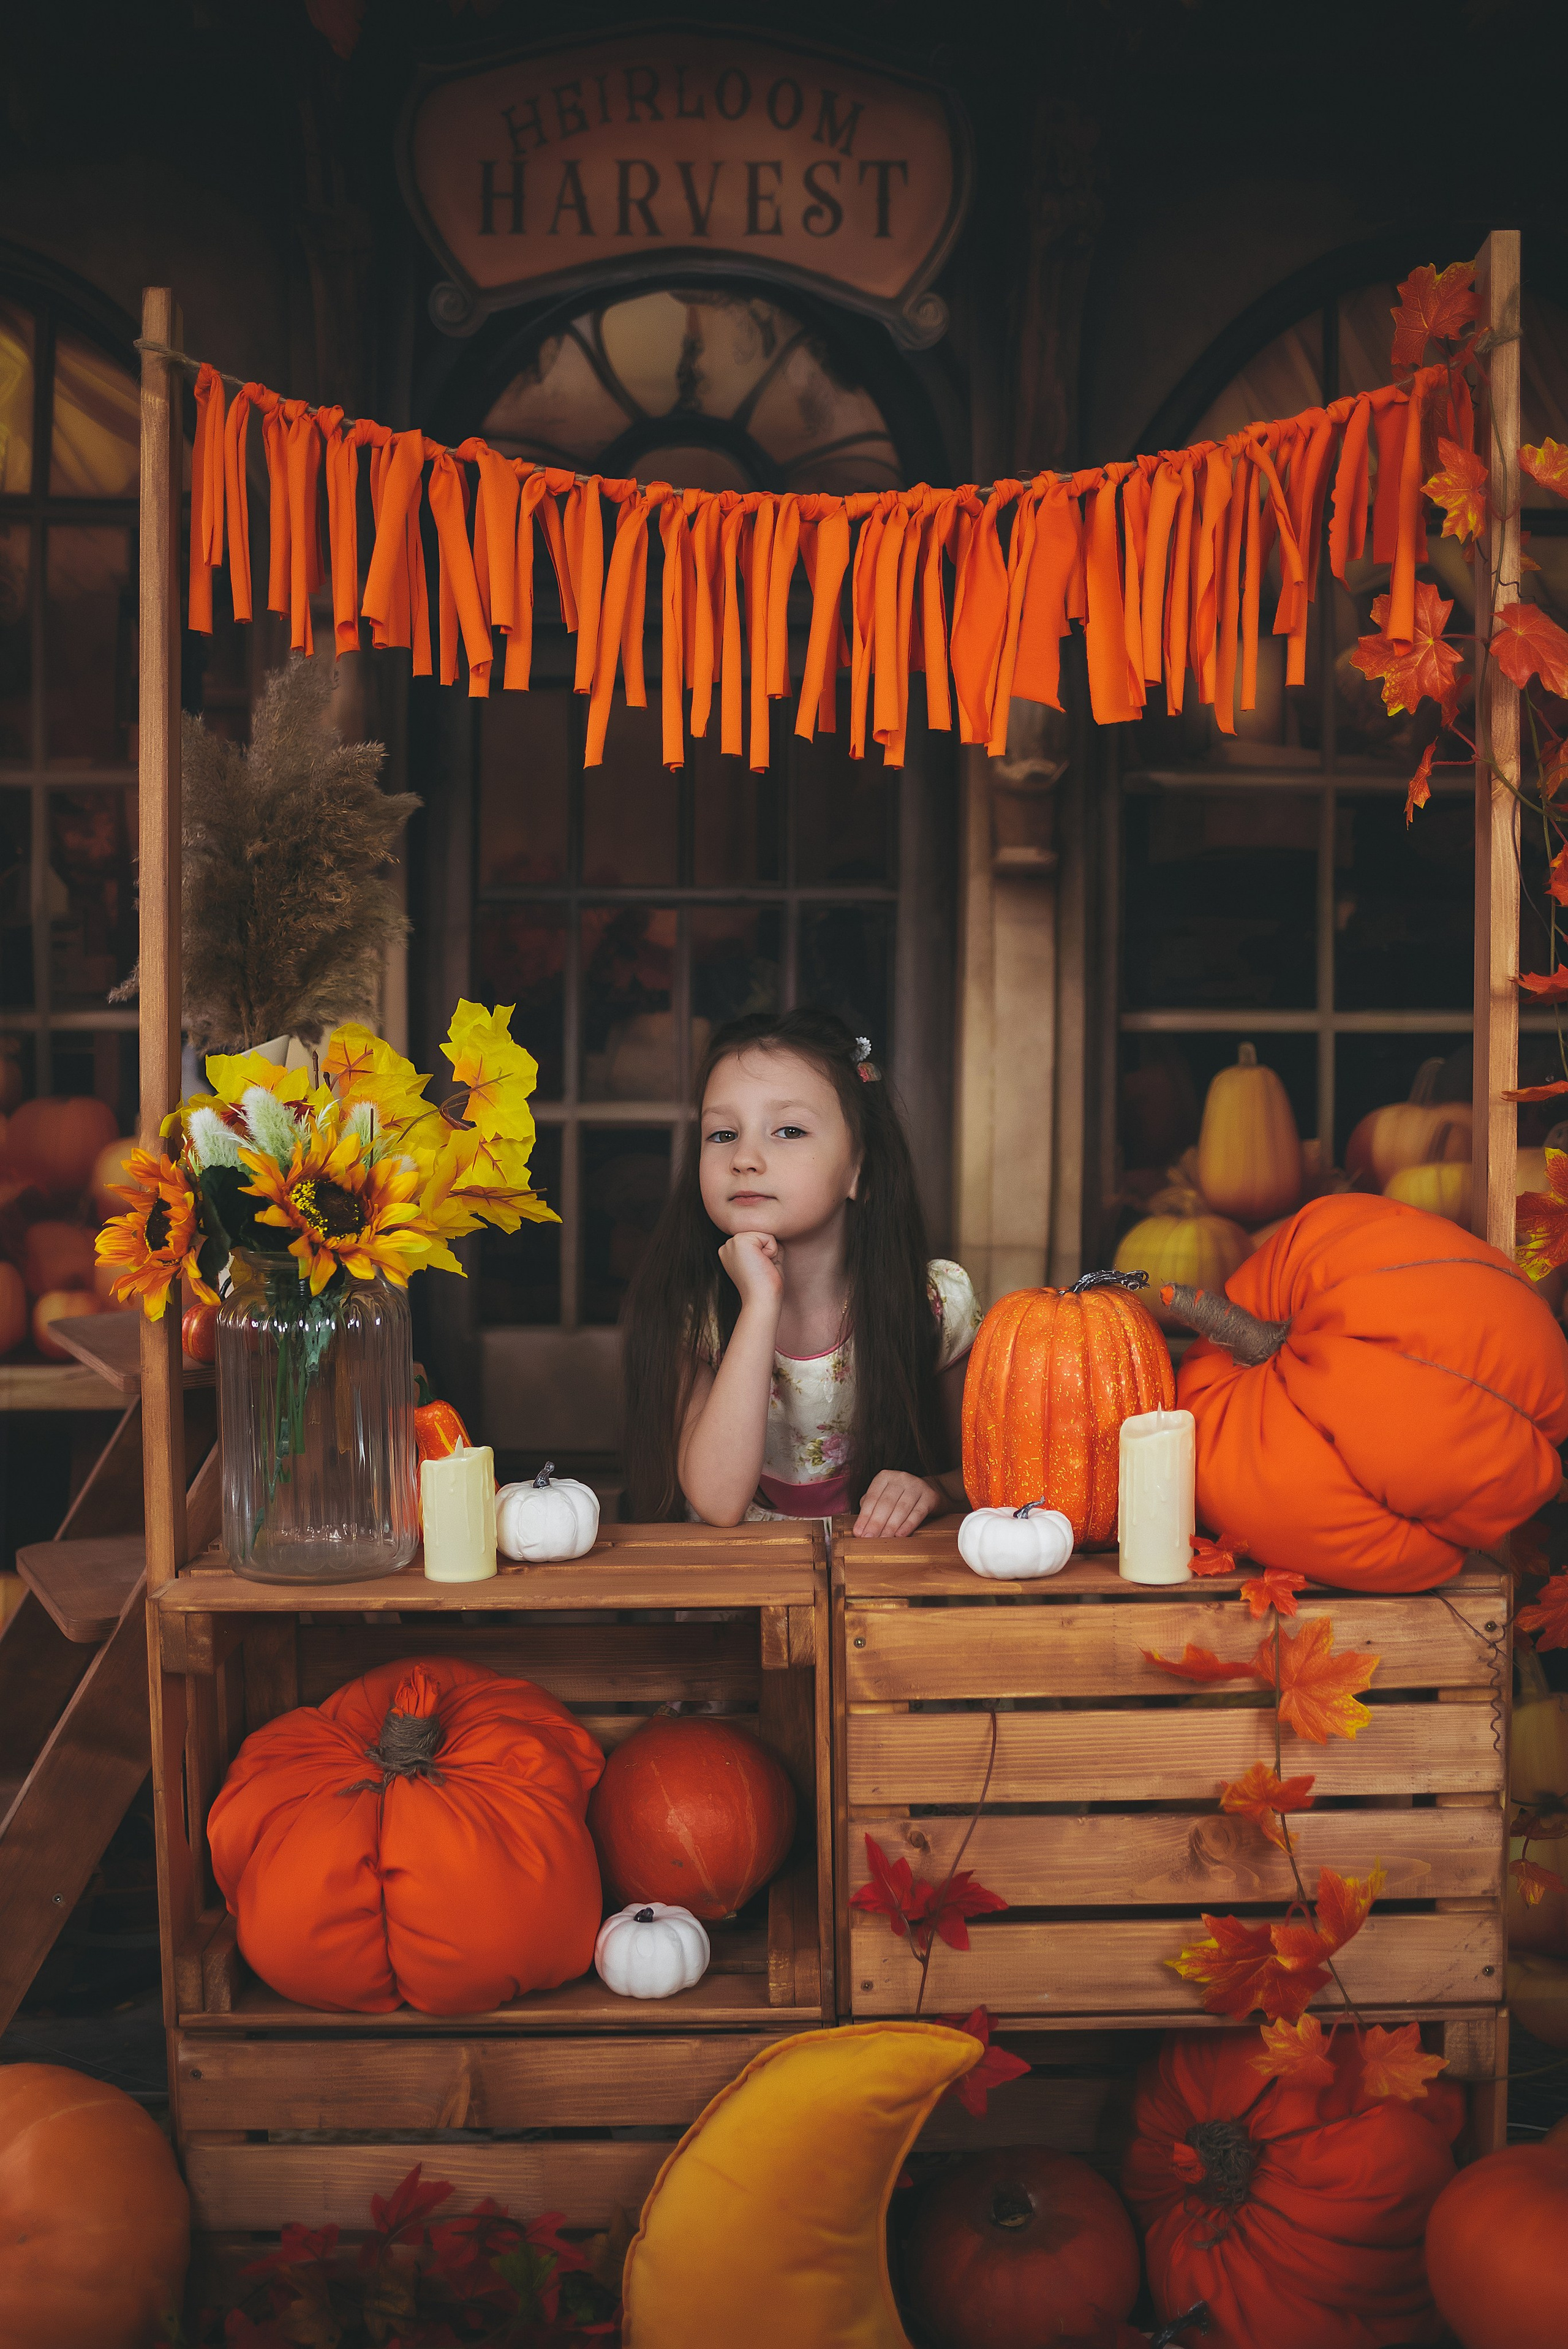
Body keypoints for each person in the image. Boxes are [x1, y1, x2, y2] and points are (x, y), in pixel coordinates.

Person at [622, 1008, 981, 1532]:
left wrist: (932, 1491)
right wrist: (760, 1302)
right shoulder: (694, 1311)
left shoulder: (933, 1301)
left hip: (876, 1592)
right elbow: (719, 1502)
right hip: (743, 1597)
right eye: (722, 1134)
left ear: (860, 1168)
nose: (745, 1157)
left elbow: (988, 1473)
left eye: (788, 1130)